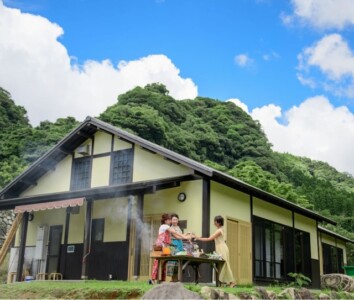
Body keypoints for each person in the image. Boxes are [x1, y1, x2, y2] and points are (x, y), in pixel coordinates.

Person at [195, 215, 236, 288]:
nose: (214, 222)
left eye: (215, 221)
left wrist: (198, 238)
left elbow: (209, 239)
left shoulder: (219, 231)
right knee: (221, 265)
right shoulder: (219, 229)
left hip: (222, 248)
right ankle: (225, 282)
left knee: (225, 264)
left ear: (218, 222)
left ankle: (232, 281)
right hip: (220, 247)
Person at [151, 213, 189, 283]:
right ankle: (153, 279)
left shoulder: (168, 226)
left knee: (165, 262)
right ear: (165, 221)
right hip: (161, 246)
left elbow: (174, 237)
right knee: (159, 262)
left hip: (165, 247)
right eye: (169, 220)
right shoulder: (165, 226)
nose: (170, 221)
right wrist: (185, 237)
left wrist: (185, 236)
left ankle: (162, 280)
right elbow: (175, 233)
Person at [166, 213, 184, 281]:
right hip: (174, 244)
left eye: (176, 219)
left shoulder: (178, 228)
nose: (174, 221)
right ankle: (173, 279)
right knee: (173, 262)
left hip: (180, 245)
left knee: (179, 262)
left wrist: (185, 236)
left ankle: (177, 279)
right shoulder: (170, 228)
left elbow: (180, 236)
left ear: (178, 220)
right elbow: (177, 236)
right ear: (171, 220)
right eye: (173, 219)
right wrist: (186, 237)